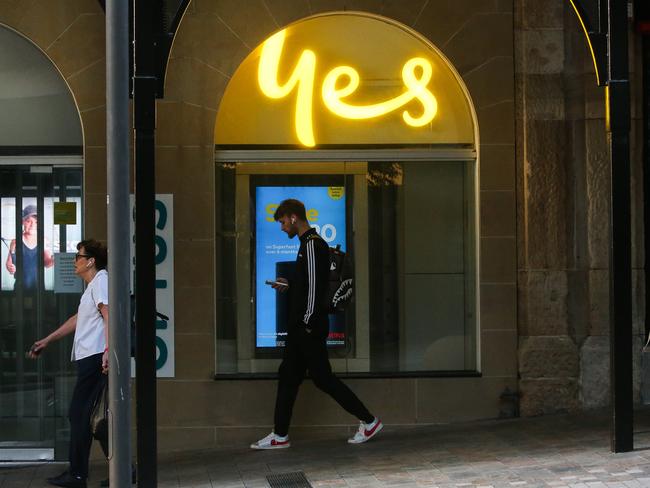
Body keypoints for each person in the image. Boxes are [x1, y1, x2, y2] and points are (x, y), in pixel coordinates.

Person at [251, 199, 382, 450]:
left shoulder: (312, 245)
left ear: (292, 217)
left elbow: (314, 291)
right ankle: (280, 434)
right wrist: (288, 286)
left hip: (306, 327)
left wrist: (308, 322)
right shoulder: (307, 246)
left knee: (322, 379)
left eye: (282, 222)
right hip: (304, 326)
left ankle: (369, 421)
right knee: (290, 376)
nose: (281, 228)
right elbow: (310, 285)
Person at [28, 239, 109, 488]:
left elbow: (109, 315)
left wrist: (108, 350)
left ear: (91, 261)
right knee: (87, 417)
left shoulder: (101, 280)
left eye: (78, 256)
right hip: (90, 358)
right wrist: (48, 340)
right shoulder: (93, 286)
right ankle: (116, 470)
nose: (75, 260)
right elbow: (78, 319)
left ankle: (78, 475)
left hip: (96, 358)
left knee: (80, 415)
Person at [5, 204, 54, 290]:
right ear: (22, 221)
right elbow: (9, 264)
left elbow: (47, 264)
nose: (32, 225)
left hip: (39, 289)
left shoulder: (44, 240)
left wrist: (55, 259)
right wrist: (11, 268)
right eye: (28, 221)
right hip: (19, 289)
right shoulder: (15, 241)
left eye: (36, 222)